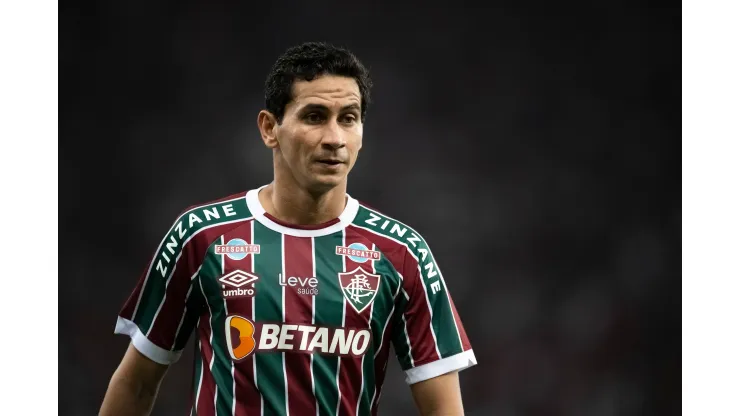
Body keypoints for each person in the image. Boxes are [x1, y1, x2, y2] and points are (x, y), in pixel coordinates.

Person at [100, 41, 476, 416]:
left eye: (349, 118)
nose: (334, 138)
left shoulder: (402, 251)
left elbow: (443, 409)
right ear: (269, 129)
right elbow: (136, 384)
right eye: (314, 116)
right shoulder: (202, 235)